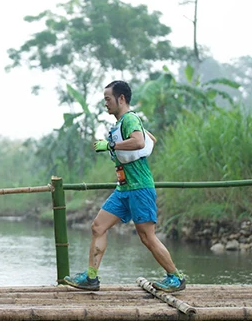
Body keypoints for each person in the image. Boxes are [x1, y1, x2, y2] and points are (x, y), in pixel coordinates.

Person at [63, 80, 186, 293]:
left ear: (121, 99)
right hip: (123, 189)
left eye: (108, 99)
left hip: (140, 188)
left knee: (147, 236)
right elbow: (151, 139)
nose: (105, 104)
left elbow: (139, 142)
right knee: (98, 227)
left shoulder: (130, 119)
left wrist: (111, 145)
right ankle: (91, 278)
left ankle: (175, 278)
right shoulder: (123, 123)